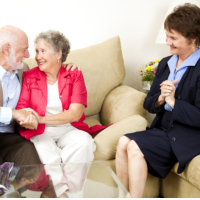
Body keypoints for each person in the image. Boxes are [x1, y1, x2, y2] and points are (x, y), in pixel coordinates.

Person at [116, 3, 200, 198]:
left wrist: (173, 102)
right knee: (122, 142)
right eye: (167, 35)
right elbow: (149, 103)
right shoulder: (165, 64)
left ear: (193, 38)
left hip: (187, 135)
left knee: (134, 147)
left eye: (173, 38)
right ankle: (122, 196)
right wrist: (161, 98)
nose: (167, 41)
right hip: (163, 130)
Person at [16, 30, 108, 165]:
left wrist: (41, 118)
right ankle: (61, 185)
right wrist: (29, 119)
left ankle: (70, 185)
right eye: (37, 51)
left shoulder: (74, 75)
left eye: (43, 51)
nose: (37, 56)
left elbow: (76, 114)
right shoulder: (29, 76)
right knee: (45, 152)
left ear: (58, 53)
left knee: (84, 143)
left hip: (68, 128)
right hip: (40, 131)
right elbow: (22, 108)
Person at [0, 25, 81, 166]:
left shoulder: (22, 69)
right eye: (24, 50)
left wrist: (61, 65)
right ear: (7, 49)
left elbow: (50, 70)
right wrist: (15, 114)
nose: (29, 56)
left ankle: (58, 187)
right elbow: (20, 111)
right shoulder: (25, 71)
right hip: (23, 129)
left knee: (32, 167)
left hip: (9, 135)